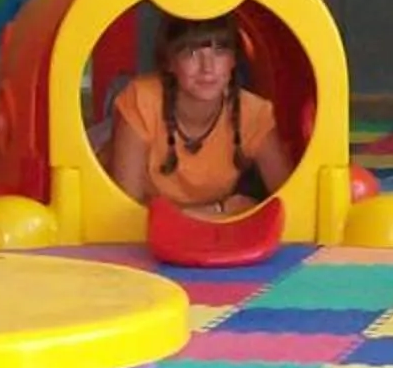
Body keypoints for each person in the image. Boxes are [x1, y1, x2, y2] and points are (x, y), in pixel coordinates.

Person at [104, 13, 292, 218]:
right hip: (130, 217)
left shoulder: (254, 113)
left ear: (233, 61)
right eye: (191, 52)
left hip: (200, 231)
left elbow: (290, 200)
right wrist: (217, 211)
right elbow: (124, 214)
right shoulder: (141, 100)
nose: (207, 68)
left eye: (219, 51)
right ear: (169, 62)